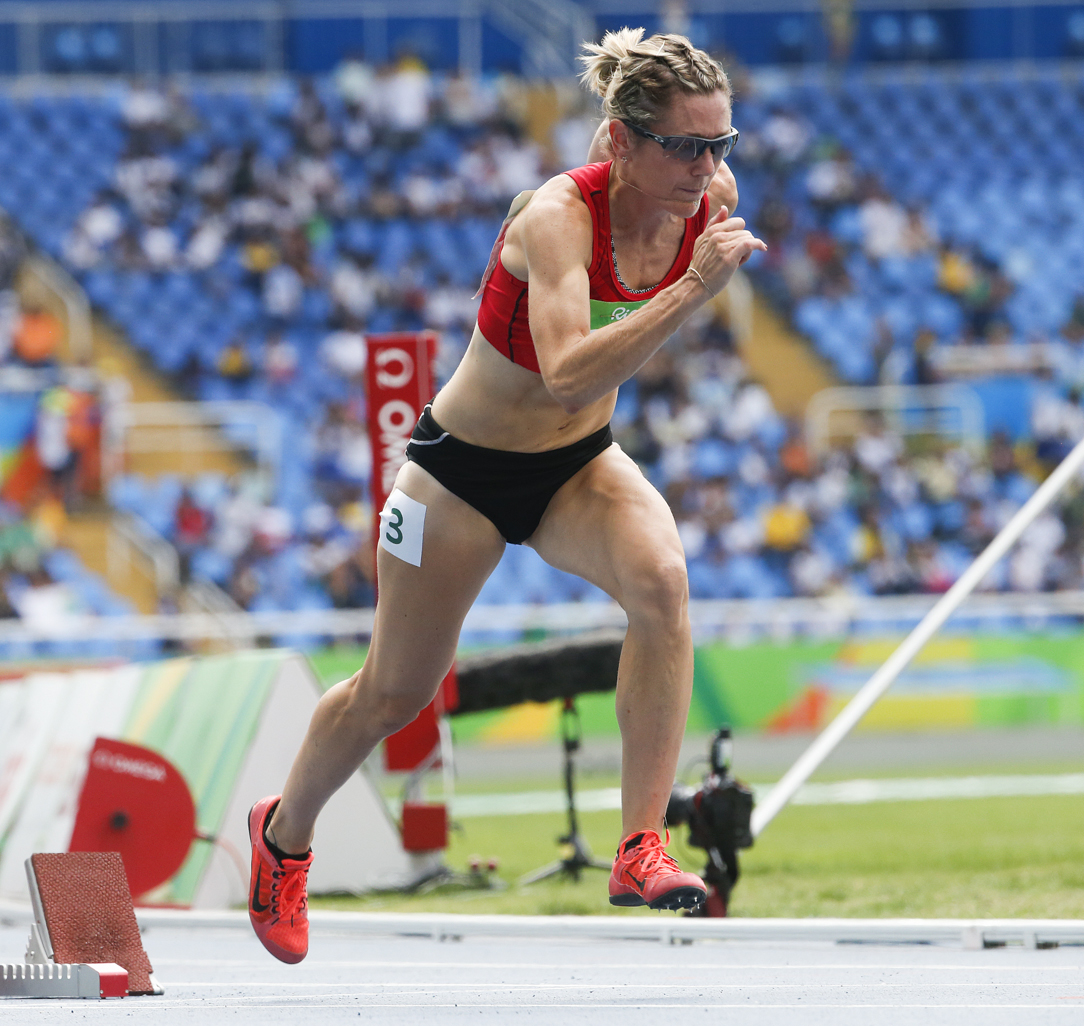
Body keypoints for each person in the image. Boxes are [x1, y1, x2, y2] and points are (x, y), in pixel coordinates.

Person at [245, 27, 765, 963]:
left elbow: (585, 396)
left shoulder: (707, 198)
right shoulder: (559, 217)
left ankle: (639, 843)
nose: (707, 167)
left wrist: (690, 273)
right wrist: (693, 286)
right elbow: (565, 370)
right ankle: (282, 836)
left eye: (721, 143)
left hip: (577, 465)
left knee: (664, 585)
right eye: (686, 145)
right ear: (619, 140)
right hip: (462, 473)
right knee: (392, 694)